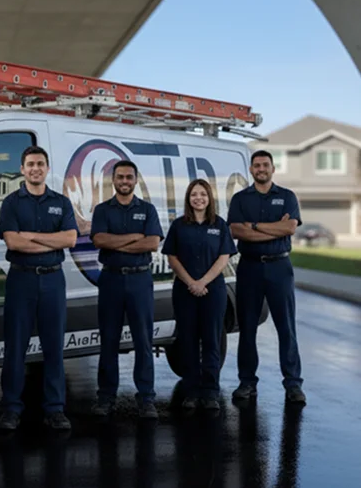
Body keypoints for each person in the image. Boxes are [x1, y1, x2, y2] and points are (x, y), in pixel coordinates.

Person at [0, 145, 79, 432]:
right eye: (30, 164)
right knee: (15, 347)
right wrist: (48, 239)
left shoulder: (61, 202)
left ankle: (55, 409)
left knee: (54, 347)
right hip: (21, 279)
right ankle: (10, 409)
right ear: (22, 169)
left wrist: (30, 235)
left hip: (53, 279)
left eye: (40, 163)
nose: (35, 168)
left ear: (47, 168)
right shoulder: (11, 203)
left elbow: (69, 239)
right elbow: (13, 243)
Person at [227, 150, 306, 405]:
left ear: (273, 169)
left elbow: (290, 227)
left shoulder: (287, 196)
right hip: (249, 268)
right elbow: (237, 231)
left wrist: (255, 226)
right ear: (251, 170)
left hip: (279, 267)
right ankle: (247, 383)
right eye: (257, 165)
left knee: (286, 327)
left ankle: (293, 384)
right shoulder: (240, 198)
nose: (261, 169)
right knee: (247, 328)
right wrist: (273, 228)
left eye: (265, 165)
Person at [89, 160, 164, 419]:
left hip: (140, 280)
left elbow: (153, 242)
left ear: (135, 180)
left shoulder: (147, 209)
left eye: (129, 177)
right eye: (120, 177)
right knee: (108, 340)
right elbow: (99, 239)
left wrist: (117, 242)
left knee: (143, 341)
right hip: (110, 280)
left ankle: (146, 398)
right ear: (113, 180)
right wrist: (135, 237)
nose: (124, 181)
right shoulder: (102, 210)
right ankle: (106, 397)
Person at [162, 179, 237, 413]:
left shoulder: (219, 225)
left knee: (212, 340)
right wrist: (191, 282)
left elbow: (224, 257)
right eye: (194, 194)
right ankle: (192, 391)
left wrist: (202, 282)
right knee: (188, 341)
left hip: (212, 291)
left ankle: (211, 392)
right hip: (184, 290)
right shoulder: (179, 226)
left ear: (209, 198)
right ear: (188, 198)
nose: (198, 198)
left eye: (203, 194)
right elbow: (172, 257)